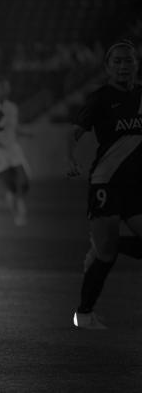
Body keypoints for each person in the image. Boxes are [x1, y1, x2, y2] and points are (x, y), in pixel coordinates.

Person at [68, 40, 142, 329]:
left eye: (128, 60)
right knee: (106, 254)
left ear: (136, 64)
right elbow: (74, 133)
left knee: (108, 248)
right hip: (106, 183)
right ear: (108, 67)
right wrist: (70, 158)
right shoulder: (100, 98)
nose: (124, 66)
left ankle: (107, 244)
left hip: (136, 185)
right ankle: (84, 315)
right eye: (117, 61)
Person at [0, 76, 30, 226]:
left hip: (12, 148)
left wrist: (25, 133)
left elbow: (13, 127)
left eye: (6, 87)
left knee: (24, 181)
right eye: (0, 87)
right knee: (11, 186)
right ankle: (16, 212)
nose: (4, 90)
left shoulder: (12, 107)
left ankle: (20, 206)